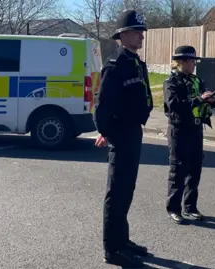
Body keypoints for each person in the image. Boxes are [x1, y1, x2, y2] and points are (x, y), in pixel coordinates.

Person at [93, 9, 153, 268]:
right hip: (120, 133)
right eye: (136, 31)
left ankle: (123, 240)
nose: (141, 36)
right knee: (116, 193)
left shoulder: (137, 63)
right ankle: (112, 248)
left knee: (127, 190)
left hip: (134, 132)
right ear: (123, 34)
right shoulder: (115, 65)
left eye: (142, 31)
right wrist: (105, 131)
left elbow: (146, 96)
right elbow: (103, 103)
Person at [163, 45, 215, 224]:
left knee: (195, 169)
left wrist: (211, 100)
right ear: (181, 62)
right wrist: (198, 99)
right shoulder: (172, 82)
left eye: (195, 60)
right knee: (178, 169)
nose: (194, 64)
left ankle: (190, 207)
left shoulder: (196, 80)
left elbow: (203, 102)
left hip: (195, 129)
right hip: (179, 130)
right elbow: (174, 106)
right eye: (191, 60)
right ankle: (174, 208)